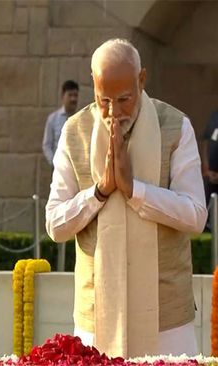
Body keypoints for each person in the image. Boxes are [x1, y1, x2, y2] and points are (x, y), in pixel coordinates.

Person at [45, 39, 206, 358]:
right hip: (95, 319)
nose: (113, 112)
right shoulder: (74, 131)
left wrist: (136, 191)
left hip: (168, 323)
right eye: (103, 100)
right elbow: (55, 225)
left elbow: (196, 215)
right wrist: (100, 191)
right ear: (93, 83)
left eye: (124, 99)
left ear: (142, 79)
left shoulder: (176, 126)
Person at [42, 80, 79, 165]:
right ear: (63, 96)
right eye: (70, 95)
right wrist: (54, 163)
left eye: (75, 95)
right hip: (59, 169)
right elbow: (47, 145)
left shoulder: (81, 120)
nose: (73, 99)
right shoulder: (53, 119)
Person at [201, 111, 218, 207]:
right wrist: (206, 168)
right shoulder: (215, 116)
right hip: (210, 175)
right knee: (207, 206)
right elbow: (205, 141)